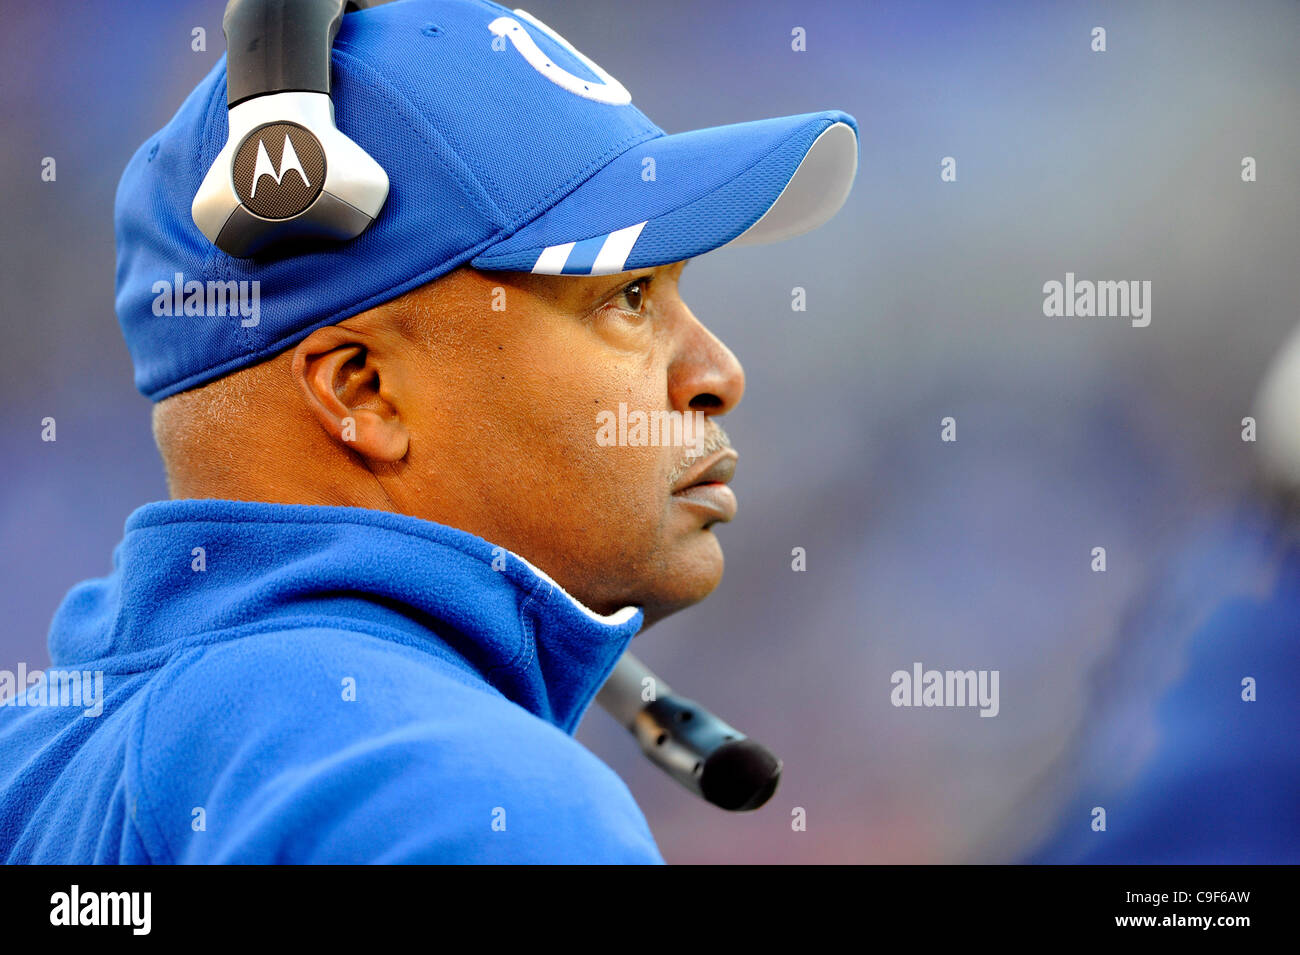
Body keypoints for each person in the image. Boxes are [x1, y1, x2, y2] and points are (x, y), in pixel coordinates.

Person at [0, 0, 858, 863]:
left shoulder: (36, 765)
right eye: (627, 297)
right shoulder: (475, 798)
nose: (718, 373)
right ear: (362, 391)